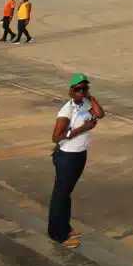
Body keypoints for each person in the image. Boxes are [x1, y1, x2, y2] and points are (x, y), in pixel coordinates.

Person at [49, 74, 105, 247]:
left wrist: (91, 97)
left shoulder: (84, 104)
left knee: (66, 195)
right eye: (78, 89)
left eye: (85, 88)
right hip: (67, 156)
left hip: (80, 153)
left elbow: (100, 114)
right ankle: (57, 234)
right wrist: (82, 129)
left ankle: (64, 227)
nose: (82, 92)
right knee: (60, 195)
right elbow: (56, 137)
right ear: (71, 92)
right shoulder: (67, 111)